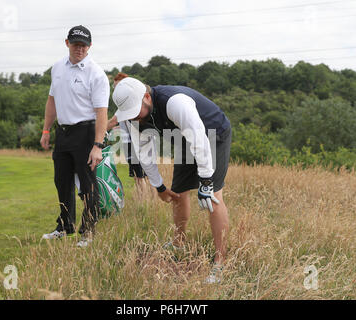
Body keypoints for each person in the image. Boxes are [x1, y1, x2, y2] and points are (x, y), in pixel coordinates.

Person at [112, 77, 232, 284]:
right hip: (184, 141)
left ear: (147, 97)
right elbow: (144, 153)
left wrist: (205, 181)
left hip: (213, 134)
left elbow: (200, 140)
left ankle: (220, 261)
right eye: (129, 115)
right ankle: (179, 243)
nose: (133, 118)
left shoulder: (175, 102)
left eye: (135, 112)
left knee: (212, 197)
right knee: (178, 193)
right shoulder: (132, 118)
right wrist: (159, 186)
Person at [40, 25, 109, 248]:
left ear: (89, 47)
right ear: (67, 42)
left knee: (88, 185)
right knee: (62, 181)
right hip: (64, 132)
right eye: (75, 43)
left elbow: (101, 113)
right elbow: (52, 100)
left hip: (86, 133)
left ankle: (87, 231)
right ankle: (65, 226)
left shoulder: (96, 73)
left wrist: (97, 144)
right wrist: (46, 129)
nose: (79, 48)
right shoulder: (58, 67)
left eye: (84, 45)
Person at [106, 73, 148, 194]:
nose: (116, 90)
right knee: (139, 175)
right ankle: (148, 201)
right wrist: (120, 127)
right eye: (114, 87)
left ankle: (143, 203)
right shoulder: (129, 104)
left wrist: (96, 133)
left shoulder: (126, 104)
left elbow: (112, 121)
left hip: (134, 142)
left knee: (139, 176)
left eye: (118, 86)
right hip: (134, 141)